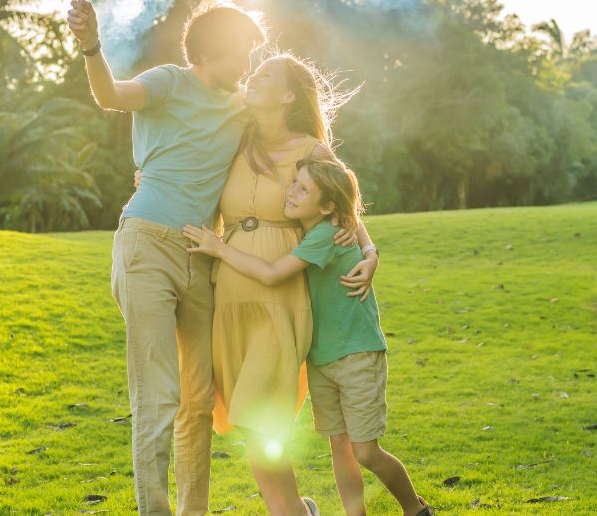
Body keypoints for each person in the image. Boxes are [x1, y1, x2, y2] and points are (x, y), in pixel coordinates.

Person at [67, 0, 264, 515]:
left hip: (202, 258)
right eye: (240, 55)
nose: (246, 68)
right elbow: (110, 95)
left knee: (199, 401)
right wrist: (91, 46)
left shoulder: (245, 107)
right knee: (157, 397)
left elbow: (296, 130)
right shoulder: (167, 82)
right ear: (207, 53)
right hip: (147, 244)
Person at [184, 157, 434, 516]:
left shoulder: (327, 234)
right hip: (322, 357)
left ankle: (416, 509)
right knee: (340, 447)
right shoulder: (319, 227)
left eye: (303, 188)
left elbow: (272, 273)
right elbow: (349, 215)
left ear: (328, 205)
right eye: (294, 182)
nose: (291, 191)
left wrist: (219, 248)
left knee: (364, 451)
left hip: (355, 353)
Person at [201, 53, 378, 516]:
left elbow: (345, 207)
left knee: (260, 415)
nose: (251, 78)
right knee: (246, 419)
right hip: (230, 294)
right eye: (252, 74)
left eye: (264, 76)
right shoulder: (233, 140)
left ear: (287, 96)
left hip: (283, 297)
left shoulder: (312, 151)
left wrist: (372, 253)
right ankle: (295, 510)